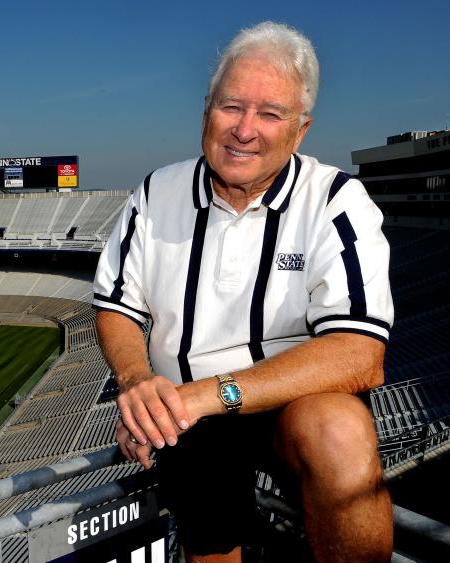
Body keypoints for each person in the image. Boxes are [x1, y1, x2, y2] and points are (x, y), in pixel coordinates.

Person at [93, 22, 394, 563]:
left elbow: (360, 354)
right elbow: (118, 308)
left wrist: (205, 395)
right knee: (210, 538)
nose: (244, 130)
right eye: (231, 107)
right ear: (205, 111)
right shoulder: (156, 192)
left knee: (340, 433)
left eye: (270, 114)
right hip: (190, 419)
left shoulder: (335, 199)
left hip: (286, 403)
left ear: (301, 131)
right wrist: (138, 384)